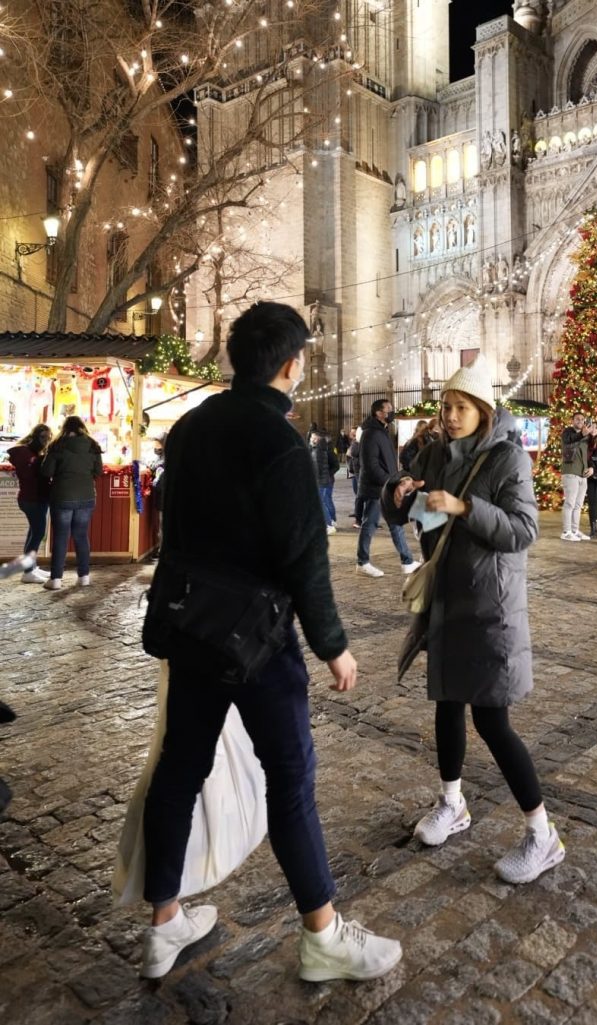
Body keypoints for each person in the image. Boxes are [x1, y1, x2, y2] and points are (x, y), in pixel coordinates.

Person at [139, 301, 401, 982]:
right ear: (291, 364)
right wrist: (333, 645)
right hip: (257, 643)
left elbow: (176, 529)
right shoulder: (279, 441)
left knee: (179, 769)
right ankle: (322, 936)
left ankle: (164, 923)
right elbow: (303, 560)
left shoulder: (190, 429)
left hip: (192, 627)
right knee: (291, 782)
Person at [387, 354, 565, 884]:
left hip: (490, 607)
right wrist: (401, 498)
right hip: (448, 601)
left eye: (461, 406)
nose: (450, 414)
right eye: (446, 405)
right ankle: (452, 804)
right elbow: (422, 515)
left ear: (484, 410)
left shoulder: (510, 460)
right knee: (446, 703)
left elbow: (522, 530)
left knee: (492, 720)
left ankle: (542, 834)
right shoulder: (439, 454)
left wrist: (466, 510)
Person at [356, 399, 421, 578]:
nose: (392, 412)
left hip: (385, 487)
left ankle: (407, 561)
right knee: (369, 524)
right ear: (378, 413)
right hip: (376, 488)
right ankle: (362, 562)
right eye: (388, 409)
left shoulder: (381, 431)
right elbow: (371, 465)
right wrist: (389, 482)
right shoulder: (371, 434)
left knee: (395, 523)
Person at [40, 416, 102, 590]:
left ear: (65, 428)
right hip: (86, 497)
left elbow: (47, 471)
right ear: (82, 427)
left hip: (62, 496)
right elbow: (98, 471)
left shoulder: (57, 444)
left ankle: (56, 579)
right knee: (81, 536)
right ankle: (84, 577)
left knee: (61, 537)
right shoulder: (92, 445)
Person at [7, 424, 52, 582]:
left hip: (34, 498)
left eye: (48, 438)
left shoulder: (32, 452)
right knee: (37, 533)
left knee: (34, 532)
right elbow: (30, 476)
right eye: (43, 437)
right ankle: (27, 572)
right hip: (32, 499)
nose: (46, 441)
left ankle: (31, 567)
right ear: (34, 436)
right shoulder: (27, 454)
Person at [560, 413, 592, 540]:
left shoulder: (586, 436)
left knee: (578, 505)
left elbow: (588, 453)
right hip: (570, 472)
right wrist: (582, 434)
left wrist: (591, 466)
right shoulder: (568, 432)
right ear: (572, 420)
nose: (580, 421)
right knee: (570, 503)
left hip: (582, 474)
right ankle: (566, 532)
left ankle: (574, 530)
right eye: (577, 419)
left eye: (582, 419)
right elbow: (569, 440)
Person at [309, 429, 340, 535]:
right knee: (322, 502)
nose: (311, 439)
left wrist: (327, 475)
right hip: (323, 480)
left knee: (322, 502)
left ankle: (330, 524)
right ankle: (327, 522)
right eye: (311, 437)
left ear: (318, 439)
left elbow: (319, 469)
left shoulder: (319, 451)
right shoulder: (317, 449)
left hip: (321, 481)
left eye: (313, 437)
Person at [346, 427, 363, 528]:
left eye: (354, 433)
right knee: (357, 494)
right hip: (355, 472)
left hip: (356, 472)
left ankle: (359, 516)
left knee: (360, 495)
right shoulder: (355, 444)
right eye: (351, 432)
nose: (352, 434)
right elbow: (349, 457)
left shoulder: (356, 444)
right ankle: (358, 515)